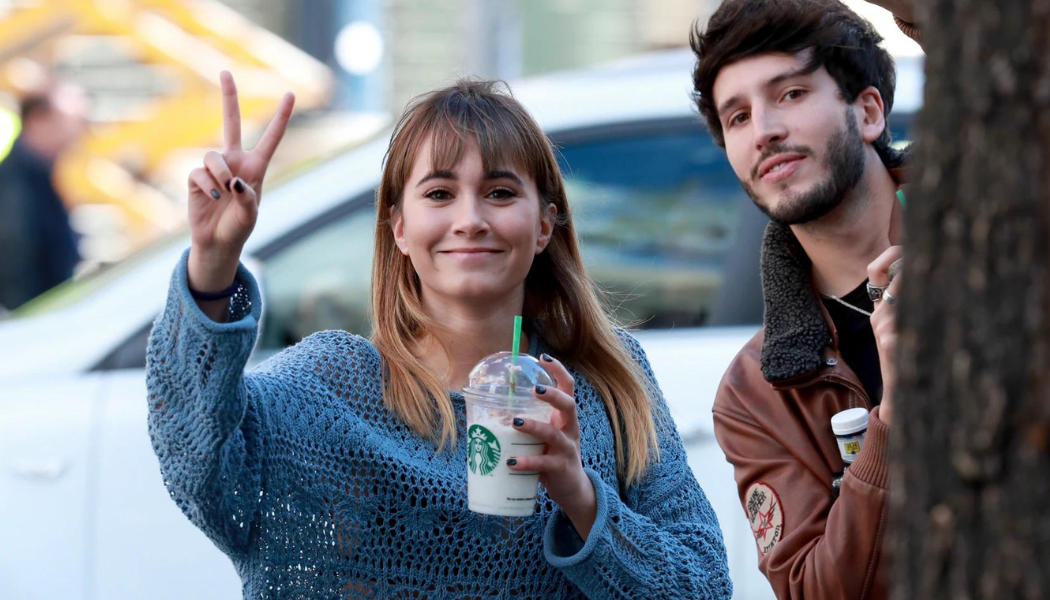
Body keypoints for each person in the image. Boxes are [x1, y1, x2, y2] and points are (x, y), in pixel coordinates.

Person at [146, 72, 732, 599]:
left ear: (545, 225)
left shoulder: (607, 384)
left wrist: (580, 495)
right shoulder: (328, 390)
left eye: (500, 193)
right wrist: (213, 262)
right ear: (399, 227)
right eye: (439, 193)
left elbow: (702, 587)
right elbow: (200, 467)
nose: (470, 218)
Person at [691, 0, 908, 598]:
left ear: (867, 112)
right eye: (737, 117)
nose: (764, 131)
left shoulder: (1004, 243)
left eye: (789, 94)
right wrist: (893, 423)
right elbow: (815, 590)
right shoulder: (754, 393)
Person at [0, 82, 88, 311]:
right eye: (69, 122)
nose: (77, 132)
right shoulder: (16, 186)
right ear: (38, 120)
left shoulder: (37, 176)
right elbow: (18, 272)